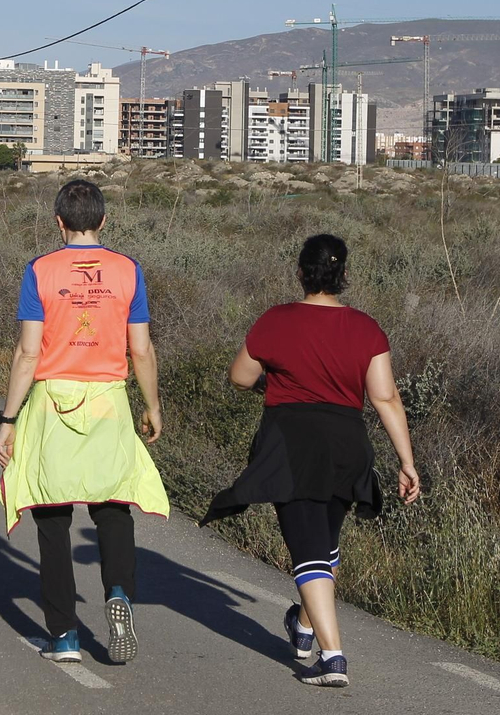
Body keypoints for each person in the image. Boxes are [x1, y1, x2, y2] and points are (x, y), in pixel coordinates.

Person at [201, 234, 420, 689]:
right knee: (325, 543)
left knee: (308, 550)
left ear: (300, 273)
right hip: (347, 444)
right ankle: (303, 626)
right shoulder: (366, 328)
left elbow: (241, 377)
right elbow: (385, 396)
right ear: (344, 277)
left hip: (292, 444)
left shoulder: (276, 320)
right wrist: (406, 460)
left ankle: (333, 657)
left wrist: (272, 386)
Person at [0, 178, 168, 666]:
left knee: (52, 516)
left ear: (58, 222)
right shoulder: (128, 270)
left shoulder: (40, 271)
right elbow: (141, 348)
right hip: (110, 400)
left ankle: (65, 635)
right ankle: (118, 593)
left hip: (53, 401)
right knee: (112, 506)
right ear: (103, 221)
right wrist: (152, 406)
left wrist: (8, 418)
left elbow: (29, 353)